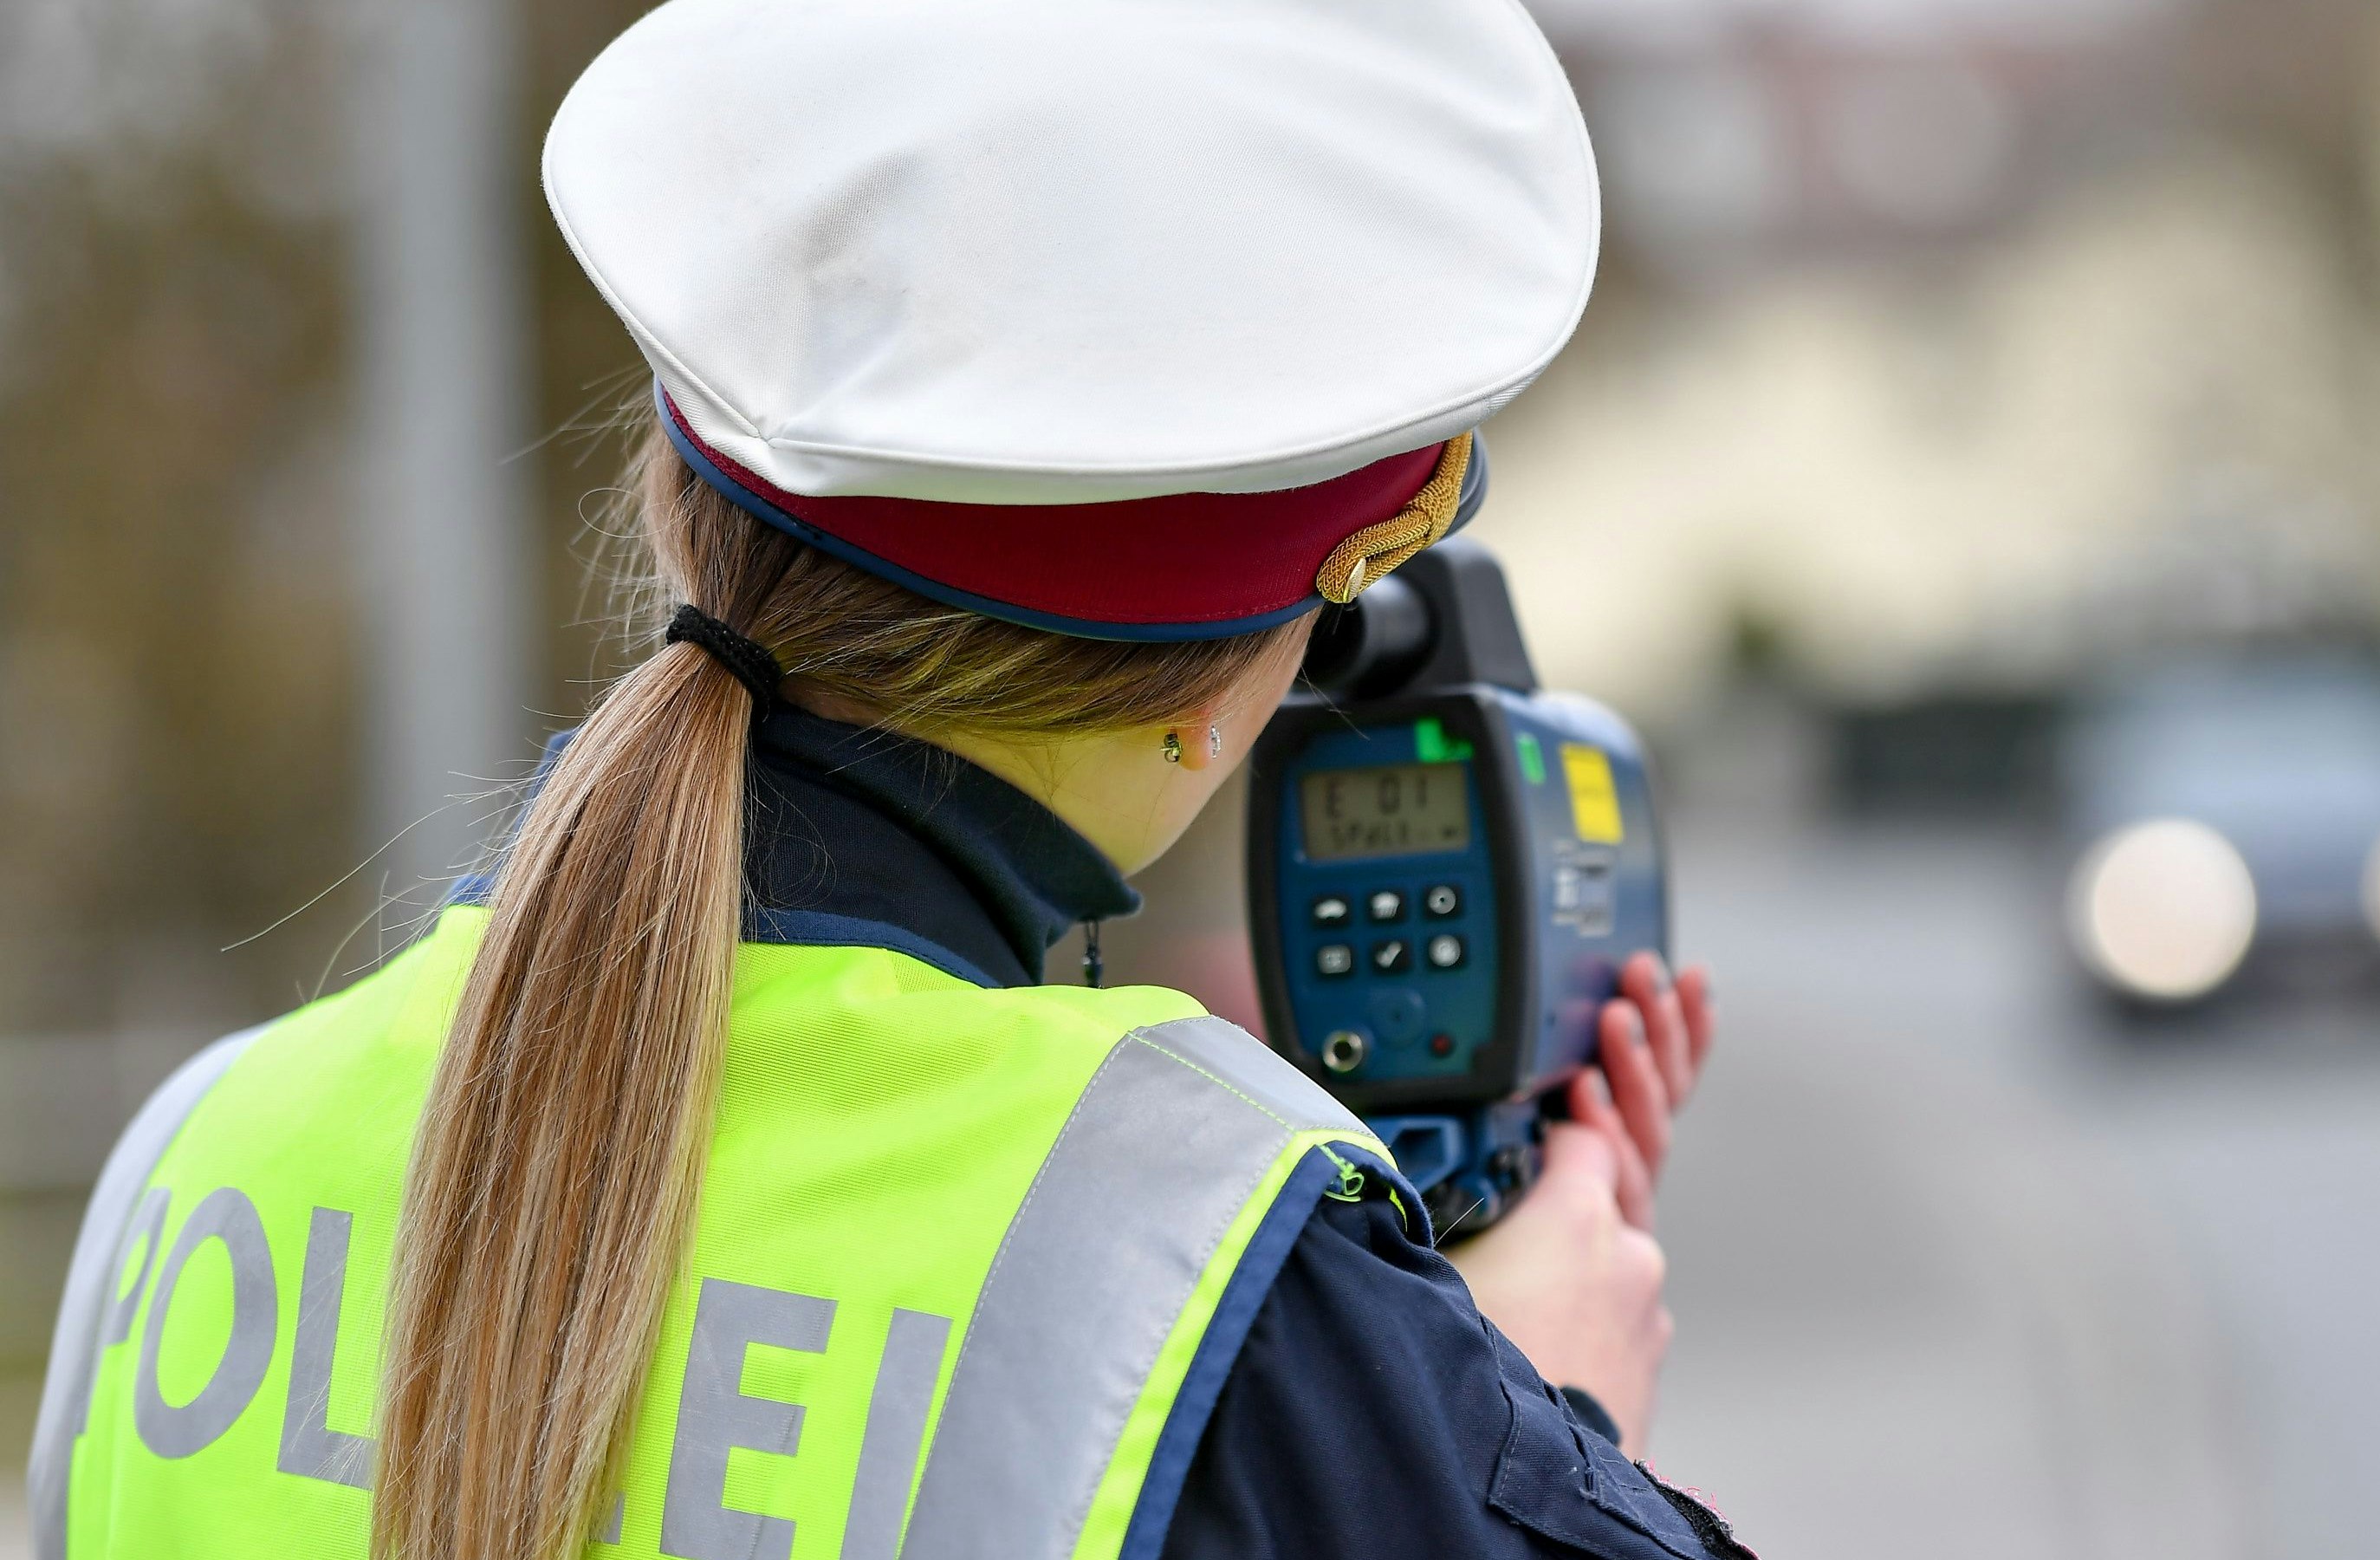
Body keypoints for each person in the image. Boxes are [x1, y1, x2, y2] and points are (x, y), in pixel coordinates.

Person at [27, 0, 1747, 1557]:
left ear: (669, 496)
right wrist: (1531, 1435)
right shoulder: (1220, 1284)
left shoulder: (190, 1169)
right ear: (1219, 691)